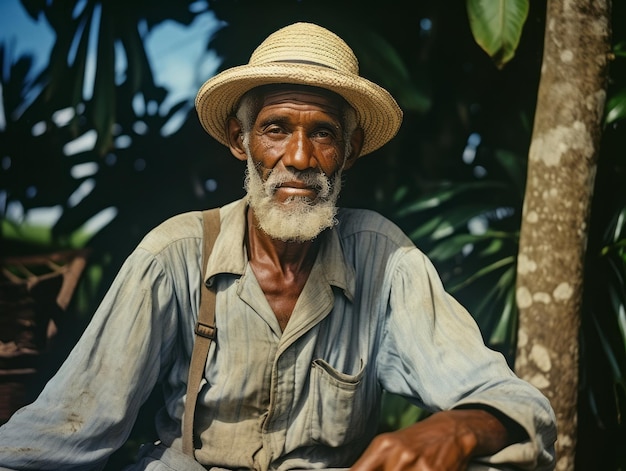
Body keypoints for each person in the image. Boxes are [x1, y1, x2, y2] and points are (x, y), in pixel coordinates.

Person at [0, 22, 556, 471]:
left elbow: (519, 405)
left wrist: (455, 427)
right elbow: (66, 427)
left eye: (323, 133)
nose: (298, 158)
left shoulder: (385, 260)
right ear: (241, 143)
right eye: (275, 128)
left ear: (351, 150)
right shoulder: (173, 255)